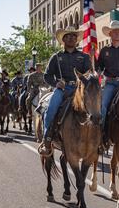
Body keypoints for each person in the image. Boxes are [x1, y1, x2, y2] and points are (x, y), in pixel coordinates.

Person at [39, 27, 91, 156]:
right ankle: (47, 139)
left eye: (74, 36)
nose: (71, 38)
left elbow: (89, 74)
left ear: (76, 39)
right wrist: (56, 83)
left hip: (80, 90)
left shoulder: (84, 56)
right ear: (63, 40)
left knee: (96, 109)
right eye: (68, 36)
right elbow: (47, 75)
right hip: (62, 89)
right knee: (51, 109)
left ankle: (99, 140)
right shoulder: (56, 57)